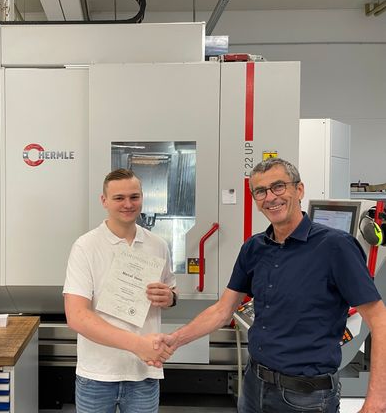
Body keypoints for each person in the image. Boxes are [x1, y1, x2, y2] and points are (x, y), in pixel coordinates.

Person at [160, 158, 386, 413]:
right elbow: (222, 310)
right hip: (254, 387)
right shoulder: (254, 248)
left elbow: (379, 321)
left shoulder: (336, 247)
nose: (270, 197)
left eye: (278, 186)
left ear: (299, 190)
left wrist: (377, 401)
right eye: (260, 191)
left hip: (306, 398)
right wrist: (175, 340)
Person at [63, 168, 177, 413]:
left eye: (134, 197)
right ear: (104, 201)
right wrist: (138, 345)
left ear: (142, 198)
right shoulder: (86, 247)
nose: (128, 204)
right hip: (97, 374)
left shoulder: (158, 246)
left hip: (144, 373)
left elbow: (171, 289)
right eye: (119, 198)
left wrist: (170, 297)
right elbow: (77, 316)